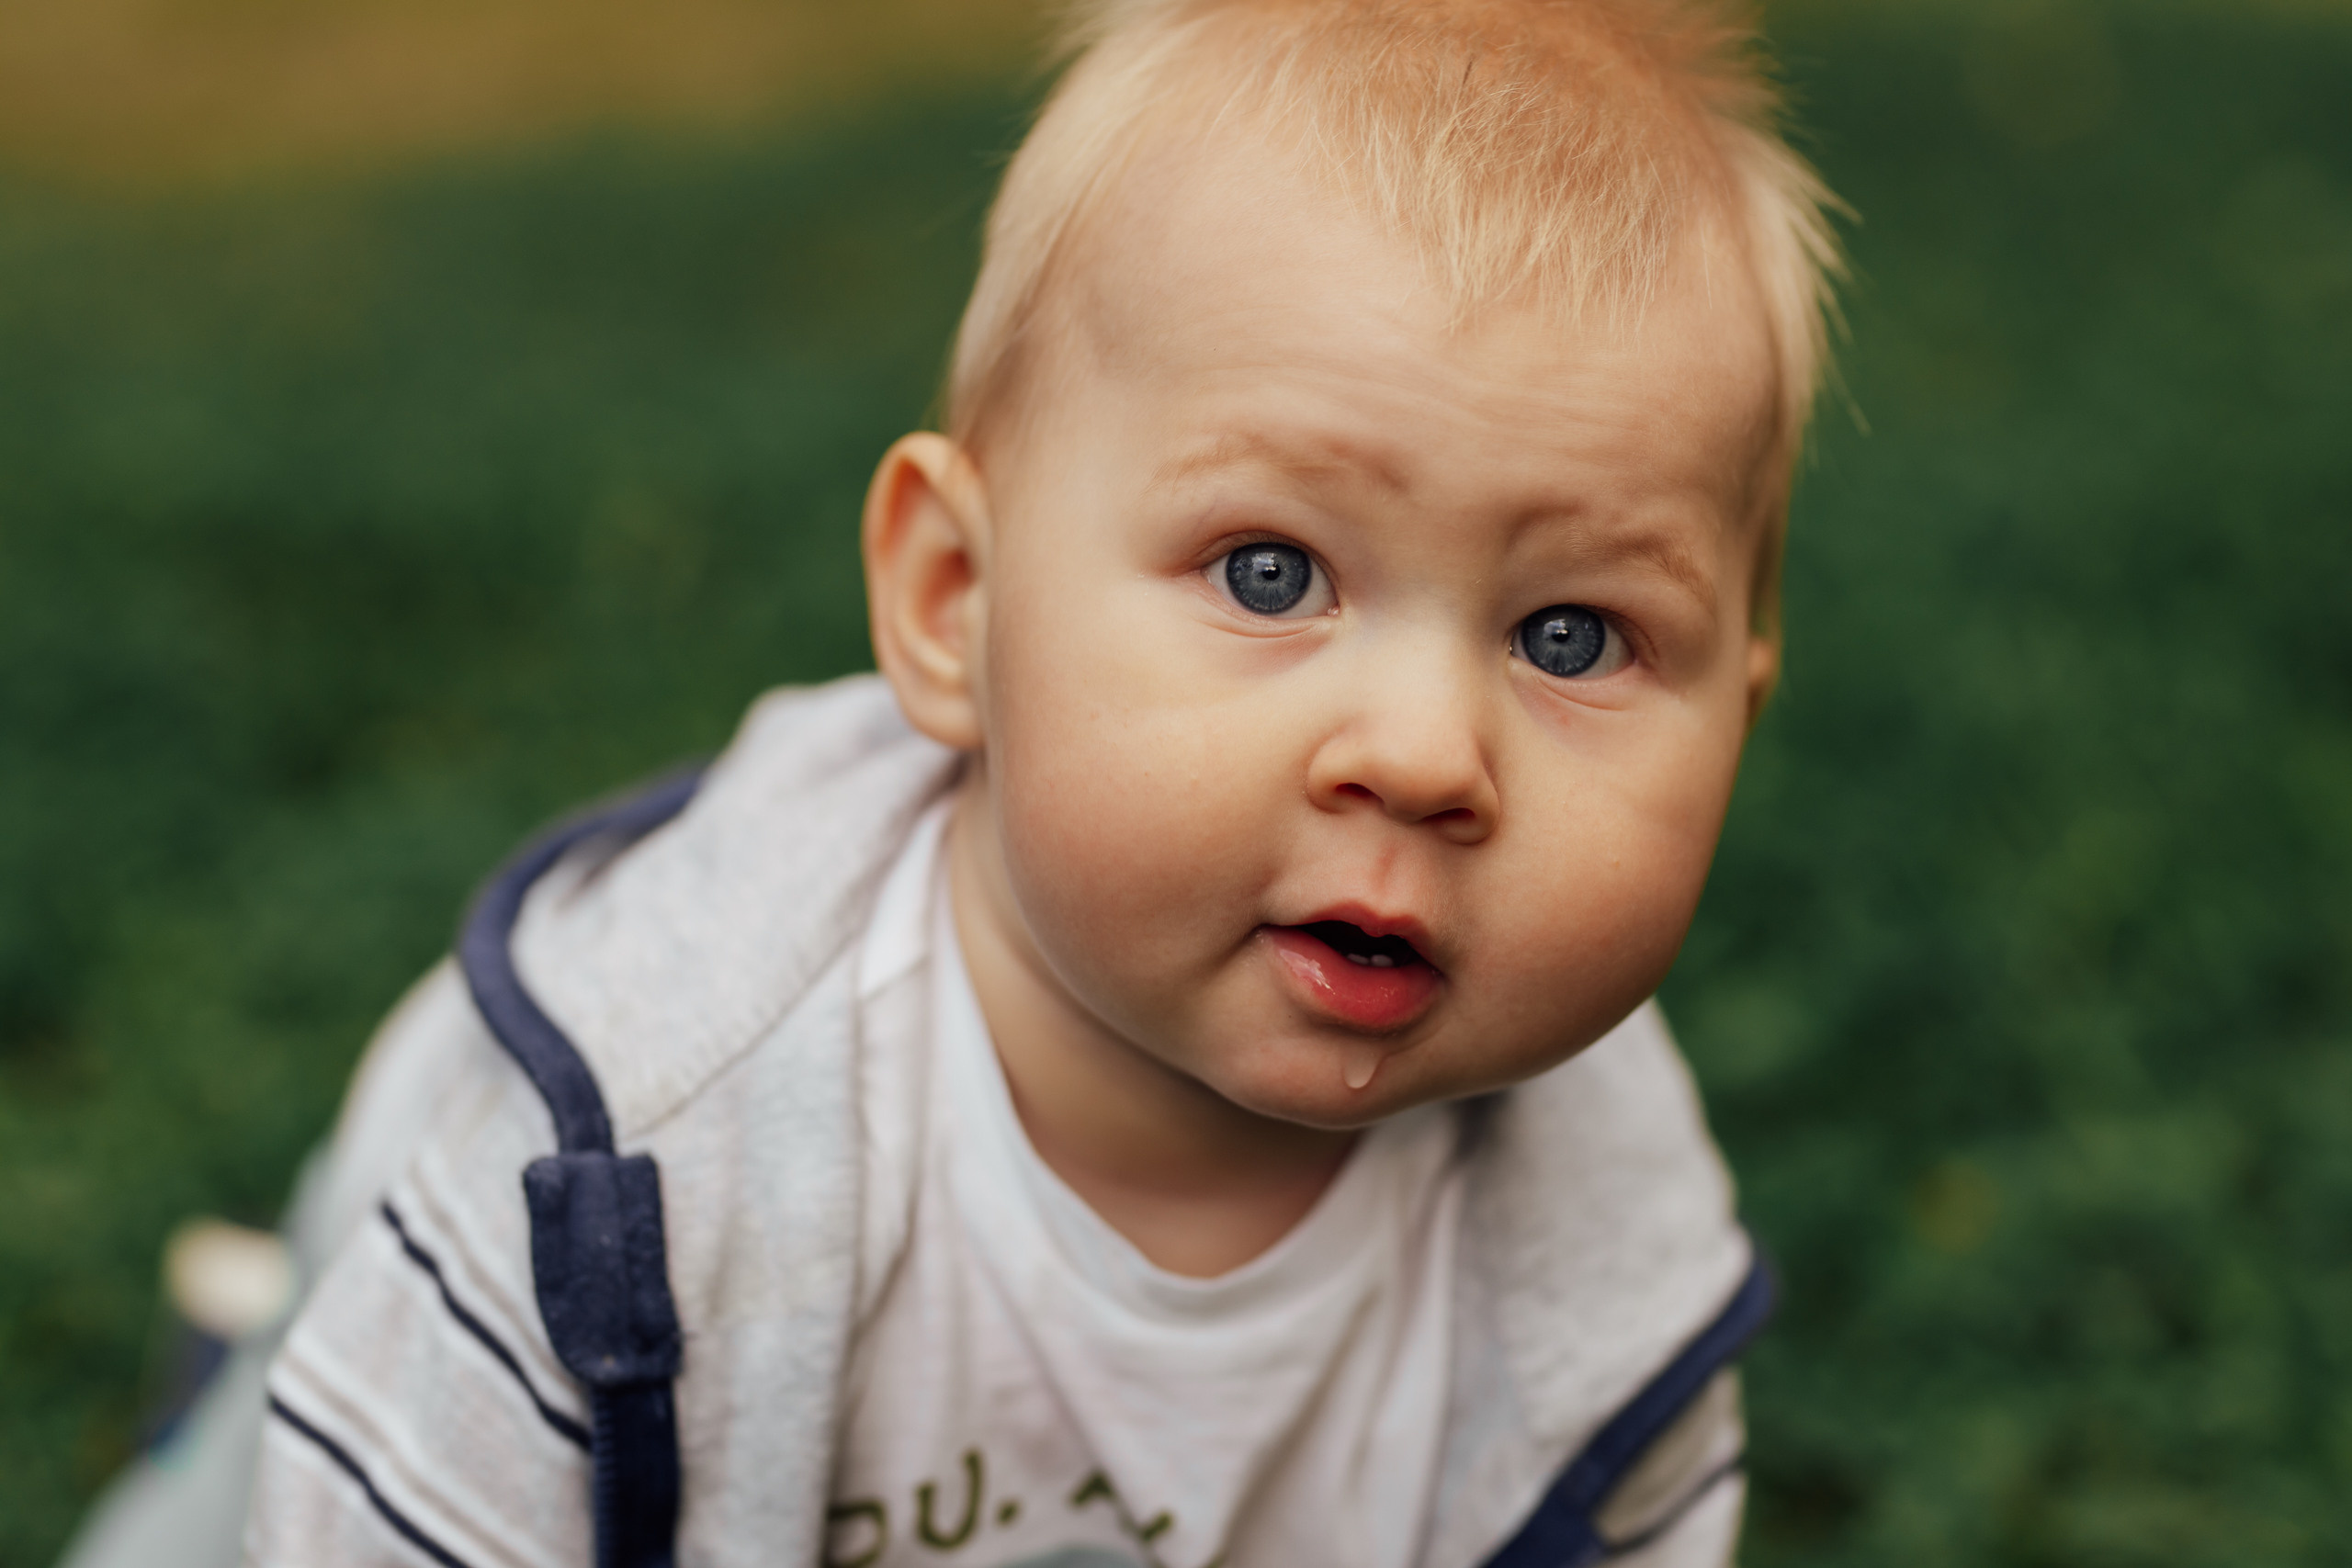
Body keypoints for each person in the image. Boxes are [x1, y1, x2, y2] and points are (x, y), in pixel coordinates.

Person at [229, 1, 1847, 1564]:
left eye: (1573, 635)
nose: (1426, 755)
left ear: (1739, 715)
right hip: (411, 1360)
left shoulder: (1608, 1263)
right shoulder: (634, 1154)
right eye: (1272, 573)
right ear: (955, 603)